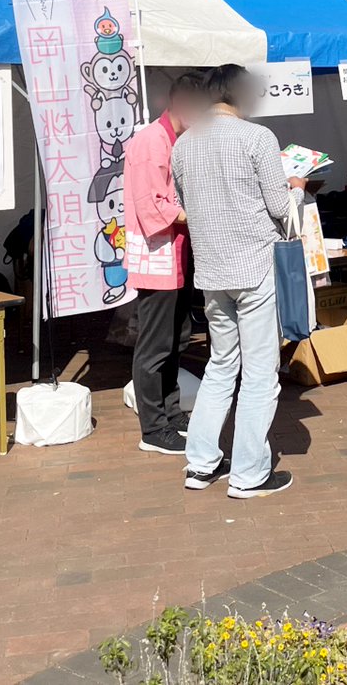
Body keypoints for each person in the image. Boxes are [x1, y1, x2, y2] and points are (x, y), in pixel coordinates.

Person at [171, 64, 305, 498]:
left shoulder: (183, 144)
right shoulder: (257, 138)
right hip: (254, 266)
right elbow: (281, 208)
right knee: (261, 373)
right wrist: (298, 187)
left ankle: (201, 463)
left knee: (221, 365)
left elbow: (186, 204)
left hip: (212, 270)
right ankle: (249, 473)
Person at [126, 70, 209, 455]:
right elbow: (153, 205)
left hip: (178, 252)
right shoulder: (150, 142)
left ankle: (171, 414)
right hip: (157, 254)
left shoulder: (179, 140)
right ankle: (152, 427)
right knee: (155, 344)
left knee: (176, 339)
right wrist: (199, 212)